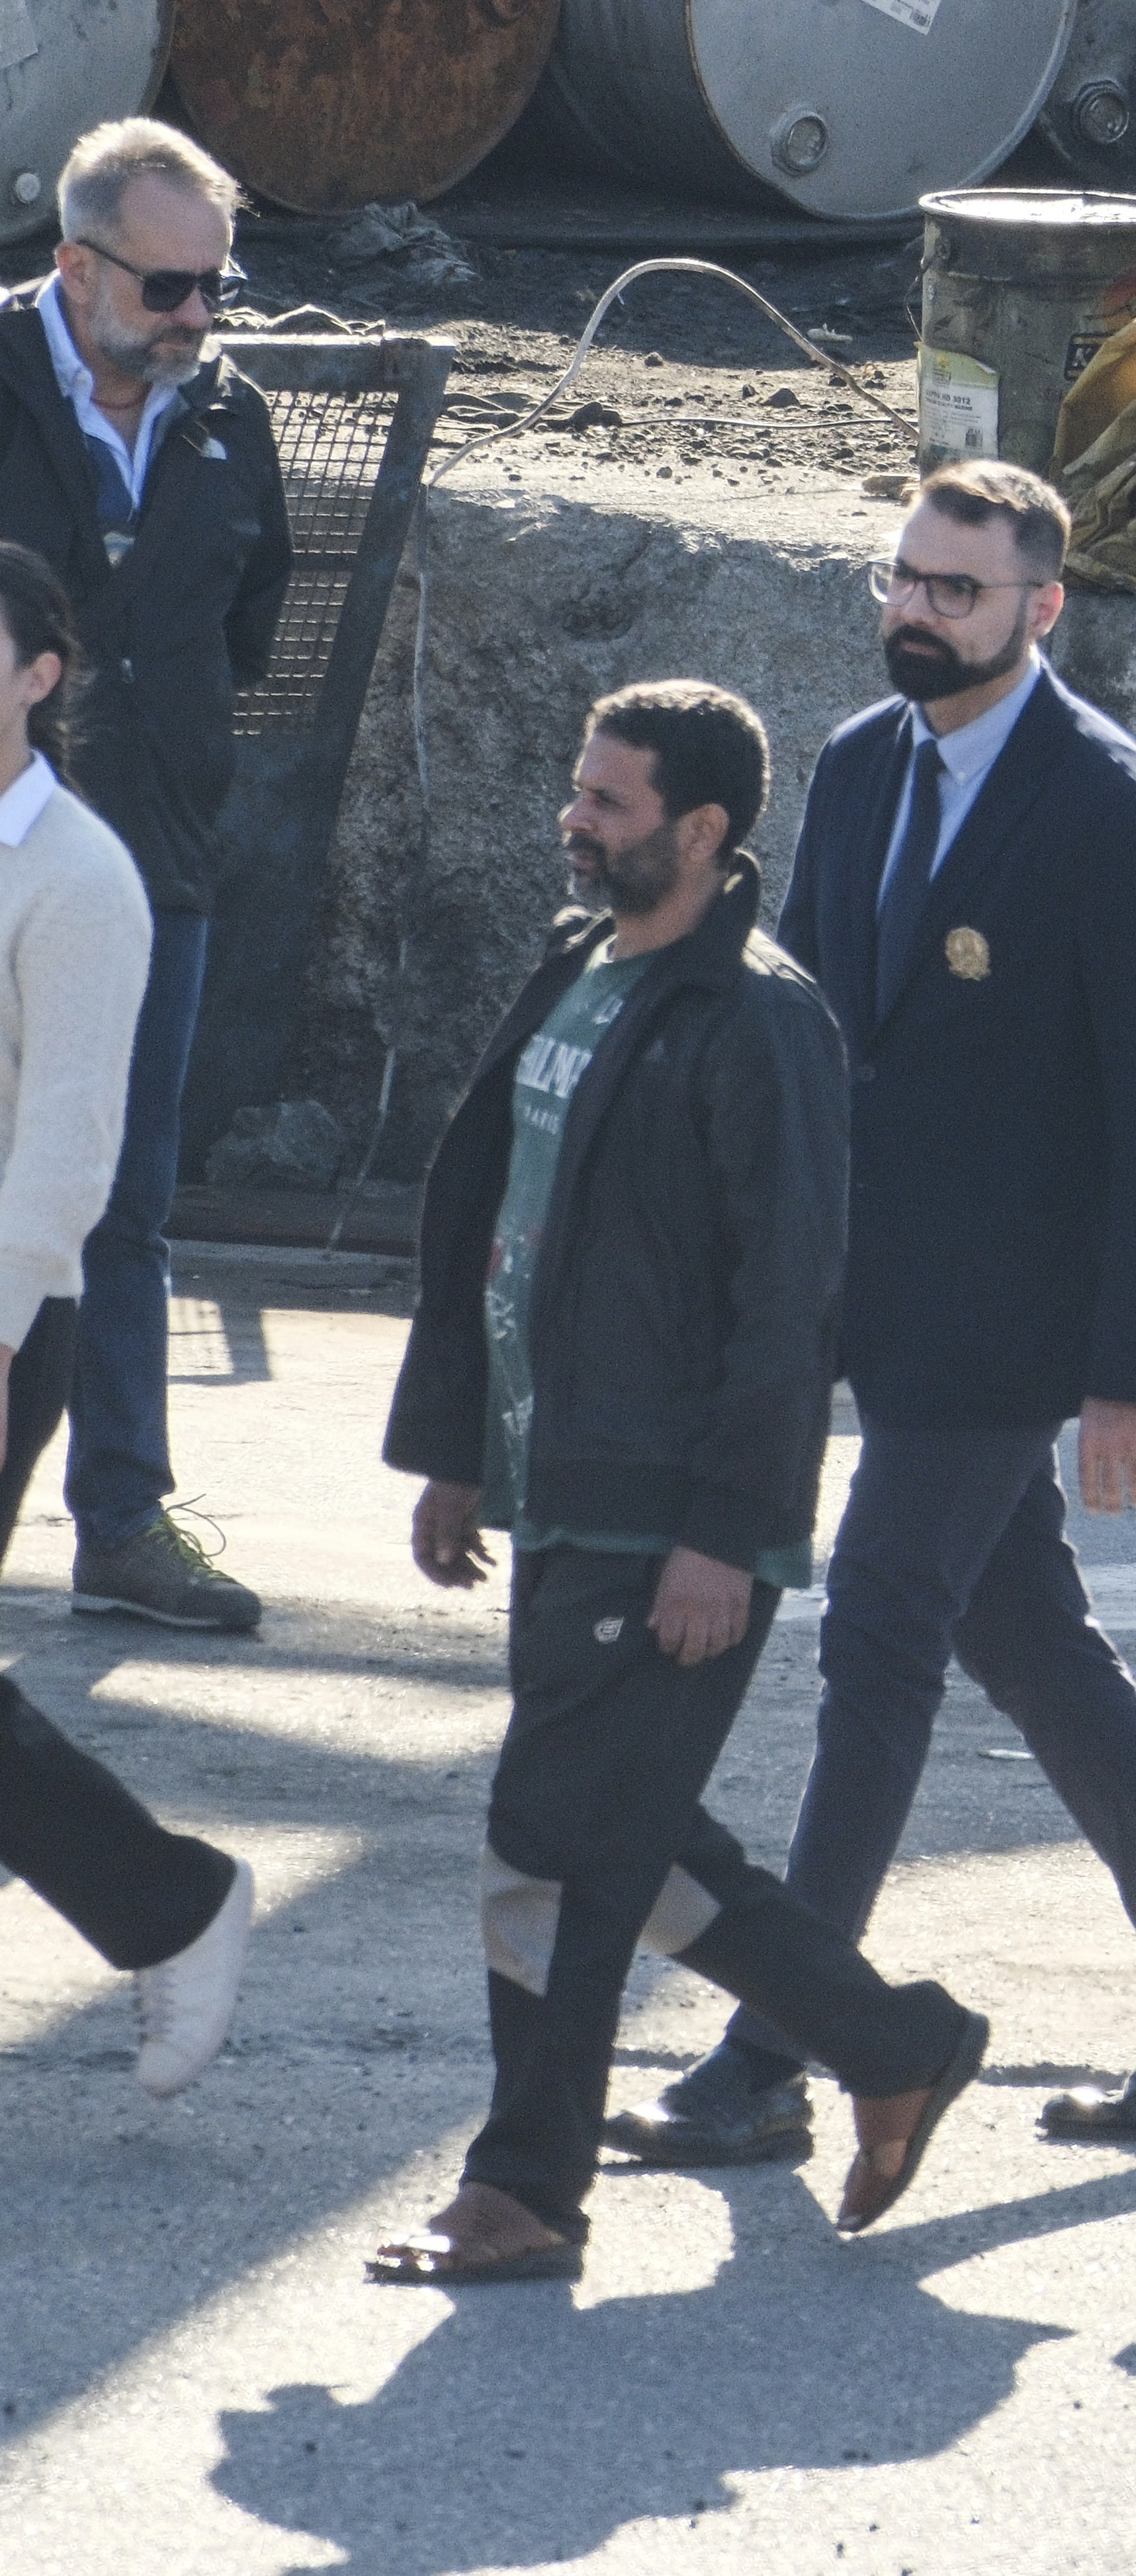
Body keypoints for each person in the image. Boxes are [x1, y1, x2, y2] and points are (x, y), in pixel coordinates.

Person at [609, 464, 1136, 2171]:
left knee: (881, 1628)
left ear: (1042, 610)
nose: (919, 613)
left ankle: (785, 2043)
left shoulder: (1117, 814)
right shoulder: (854, 766)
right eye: (906, 582)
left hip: (1012, 1319)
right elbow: (818, 1030)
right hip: (871, 1289)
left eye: (960, 592)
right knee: (1034, 1648)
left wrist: (1131, 1371)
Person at [371, 683, 990, 2283]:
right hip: (554, 1480)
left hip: (666, 1515)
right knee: (620, 1834)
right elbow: (491, 1222)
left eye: (611, 803)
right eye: (579, 791)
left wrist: (726, 1536)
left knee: (547, 1837)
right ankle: (890, 2039)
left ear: (702, 832)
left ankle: (523, 2191)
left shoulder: (760, 1020)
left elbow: (788, 1303)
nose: (575, 820)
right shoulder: (577, 968)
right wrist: (456, 1451)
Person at [0, 118, 288, 1636]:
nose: (196, 319)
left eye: (214, 289)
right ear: (75, 264)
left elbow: (249, 611)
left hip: (144, 861)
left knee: (125, 1193)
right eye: (169, 289)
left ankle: (120, 1517)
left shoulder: (226, 416)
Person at [0, 540, 250, 2097]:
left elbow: (66, 1154)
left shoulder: (79, 876)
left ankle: (173, 1904)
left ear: (40, 676)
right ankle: (165, 1902)